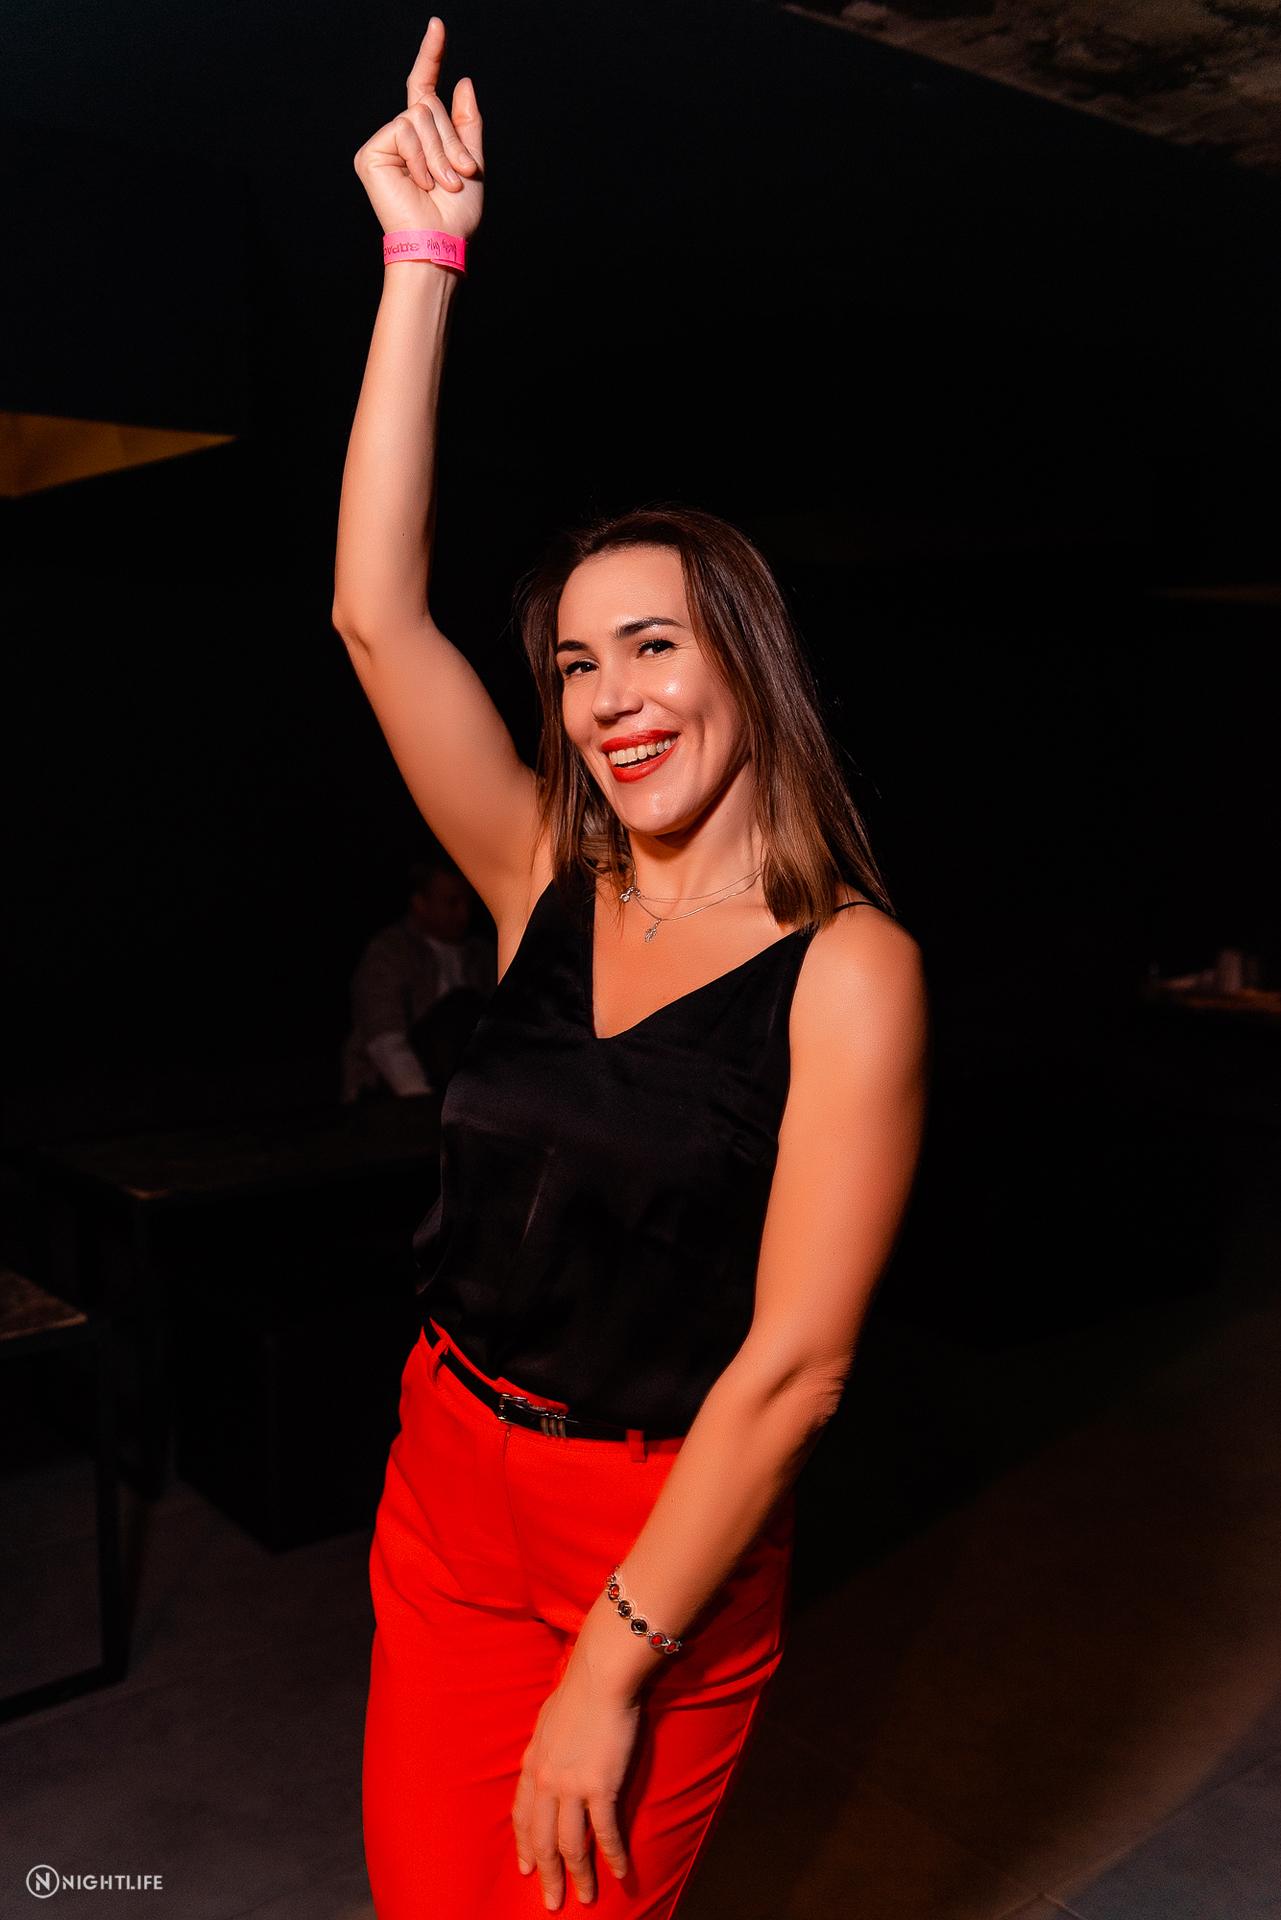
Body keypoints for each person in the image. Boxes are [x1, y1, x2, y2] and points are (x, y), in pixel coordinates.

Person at [333, 20, 929, 1918]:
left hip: (653, 1543)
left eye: (653, 646)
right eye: (578, 665)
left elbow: (797, 1368)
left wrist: (612, 1666)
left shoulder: (849, 972)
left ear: (745, 658)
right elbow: (374, 612)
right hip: (446, 1482)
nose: (608, 699)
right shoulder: (536, 879)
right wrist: (420, 263)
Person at [340, 851, 496, 1102]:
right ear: (419, 903)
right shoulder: (390, 950)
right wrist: (423, 1102)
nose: (463, 914)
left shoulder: (482, 954)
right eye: (452, 902)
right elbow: (384, 1038)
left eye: (468, 902)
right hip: (390, 1094)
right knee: (460, 1005)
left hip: (465, 1089)